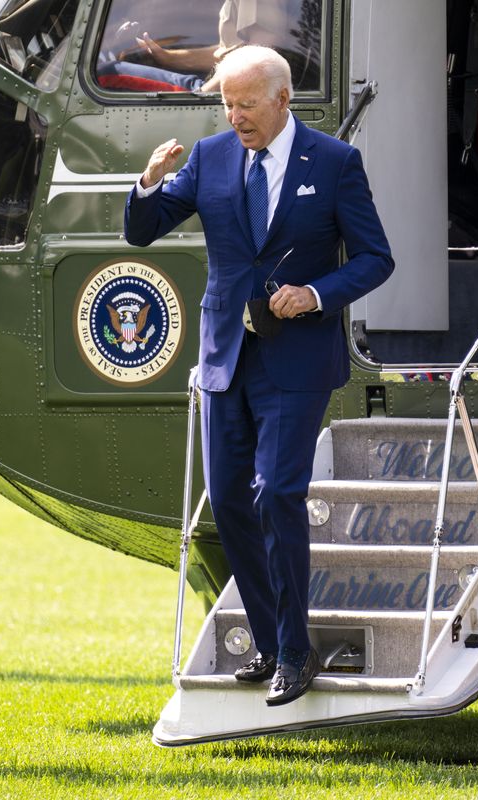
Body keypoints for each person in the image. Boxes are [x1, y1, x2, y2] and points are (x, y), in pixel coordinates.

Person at [125, 46, 393, 706]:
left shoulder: (333, 163)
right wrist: (149, 183)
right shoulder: (212, 156)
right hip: (225, 357)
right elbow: (143, 231)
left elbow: (375, 259)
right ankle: (271, 643)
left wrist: (316, 294)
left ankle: (298, 652)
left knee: (278, 492)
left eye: (246, 104)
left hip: (296, 359)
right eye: (227, 104)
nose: (234, 116)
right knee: (229, 502)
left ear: (282, 100)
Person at [97, 0, 290, 92]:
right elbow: (231, 50)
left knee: (108, 73)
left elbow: (259, 53)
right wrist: (167, 57)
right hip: (226, 85)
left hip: (230, 92)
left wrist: (204, 95)